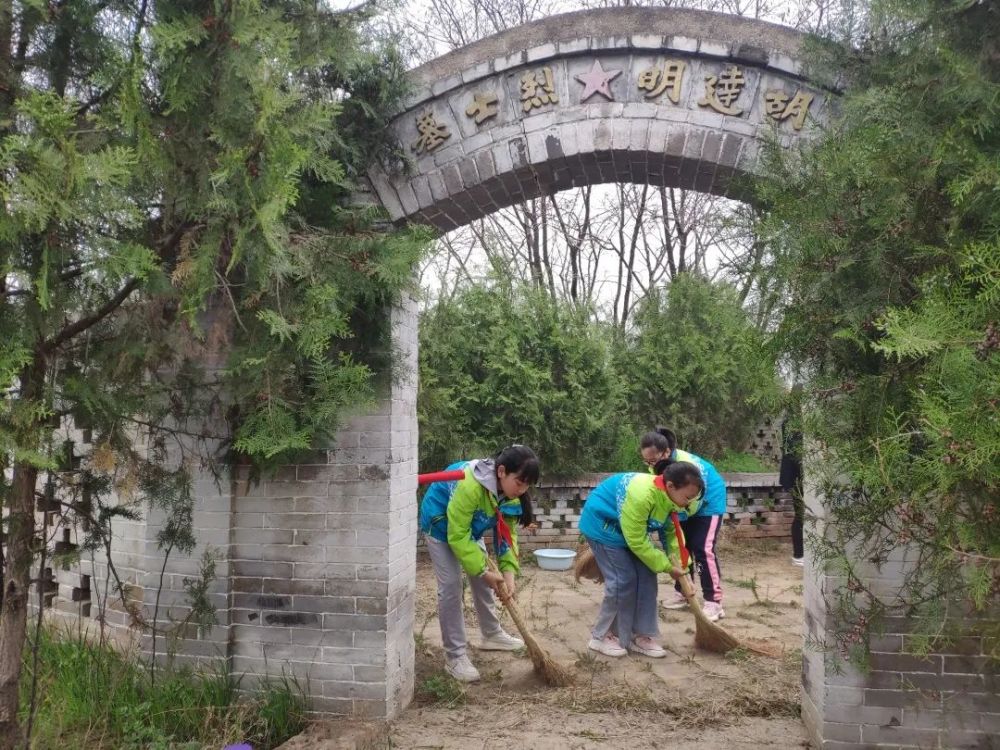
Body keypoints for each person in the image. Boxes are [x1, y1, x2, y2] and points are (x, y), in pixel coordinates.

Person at [418, 445, 539, 683]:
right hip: (441, 524)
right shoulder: (471, 485)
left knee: (486, 581)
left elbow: (506, 536)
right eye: (519, 482)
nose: (522, 490)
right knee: (452, 587)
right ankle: (455, 656)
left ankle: (491, 634)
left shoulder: (512, 495)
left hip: (467, 529)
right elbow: (457, 535)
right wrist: (483, 571)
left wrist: (508, 574)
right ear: (502, 471)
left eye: (527, 485)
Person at [578, 461, 705, 658]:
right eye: (688, 497)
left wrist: (683, 568)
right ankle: (600, 637)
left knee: (647, 573)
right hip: (602, 527)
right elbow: (637, 541)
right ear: (671, 486)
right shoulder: (642, 495)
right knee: (623, 579)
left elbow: (672, 536)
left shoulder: (671, 499)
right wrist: (666, 566)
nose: (689, 502)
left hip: (629, 530)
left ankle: (640, 635)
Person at [640, 427, 727, 622]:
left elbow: (694, 498)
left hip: (707, 502)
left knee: (702, 548)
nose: (650, 464)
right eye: (646, 461)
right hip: (682, 504)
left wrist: (676, 511)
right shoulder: (657, 466)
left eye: (653, 460)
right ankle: (683, 592)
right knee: (681, 546)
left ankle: (714, 602)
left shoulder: (688, 466)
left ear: (667, 452)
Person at [779, 411, 805, 566]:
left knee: (801, 514)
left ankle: (800, 553)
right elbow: (795, 451)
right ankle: (799, 554)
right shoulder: (792, 421)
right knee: (801, 514)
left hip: (796, 475)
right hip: (796, 476)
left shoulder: (790, 419)